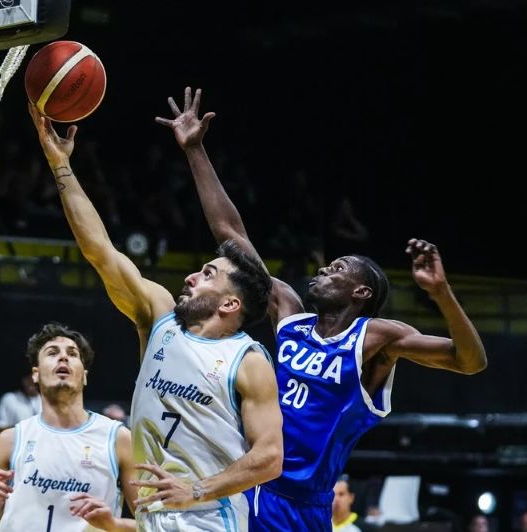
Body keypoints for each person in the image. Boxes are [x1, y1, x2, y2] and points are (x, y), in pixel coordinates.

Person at [156, 86, 487, 532]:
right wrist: (195, 150)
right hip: (245, 483)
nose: (326, 268)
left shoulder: (376, 338)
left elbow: (470, 362)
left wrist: (442, 293)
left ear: (361, 293)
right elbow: (231, 234)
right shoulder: (290, 316)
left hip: (302, 506)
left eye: (339, 268)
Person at [28, 102, 283, 531]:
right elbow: (100, 252)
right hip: (153, 517)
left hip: (208, 518)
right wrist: (60, 166)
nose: (191, 277)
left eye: (208, 275)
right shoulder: (160, 316)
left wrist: (196, 490)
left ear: (230, 305)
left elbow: (270, 458)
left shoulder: (248, 361)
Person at [0, 322, 137, 531]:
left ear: (85, 375)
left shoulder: (118, 439)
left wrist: (115, 525)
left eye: (72, 354)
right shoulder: (10, 440)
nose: (63, 357)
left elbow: (154, 525)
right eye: (52, 353)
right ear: (35, 373)